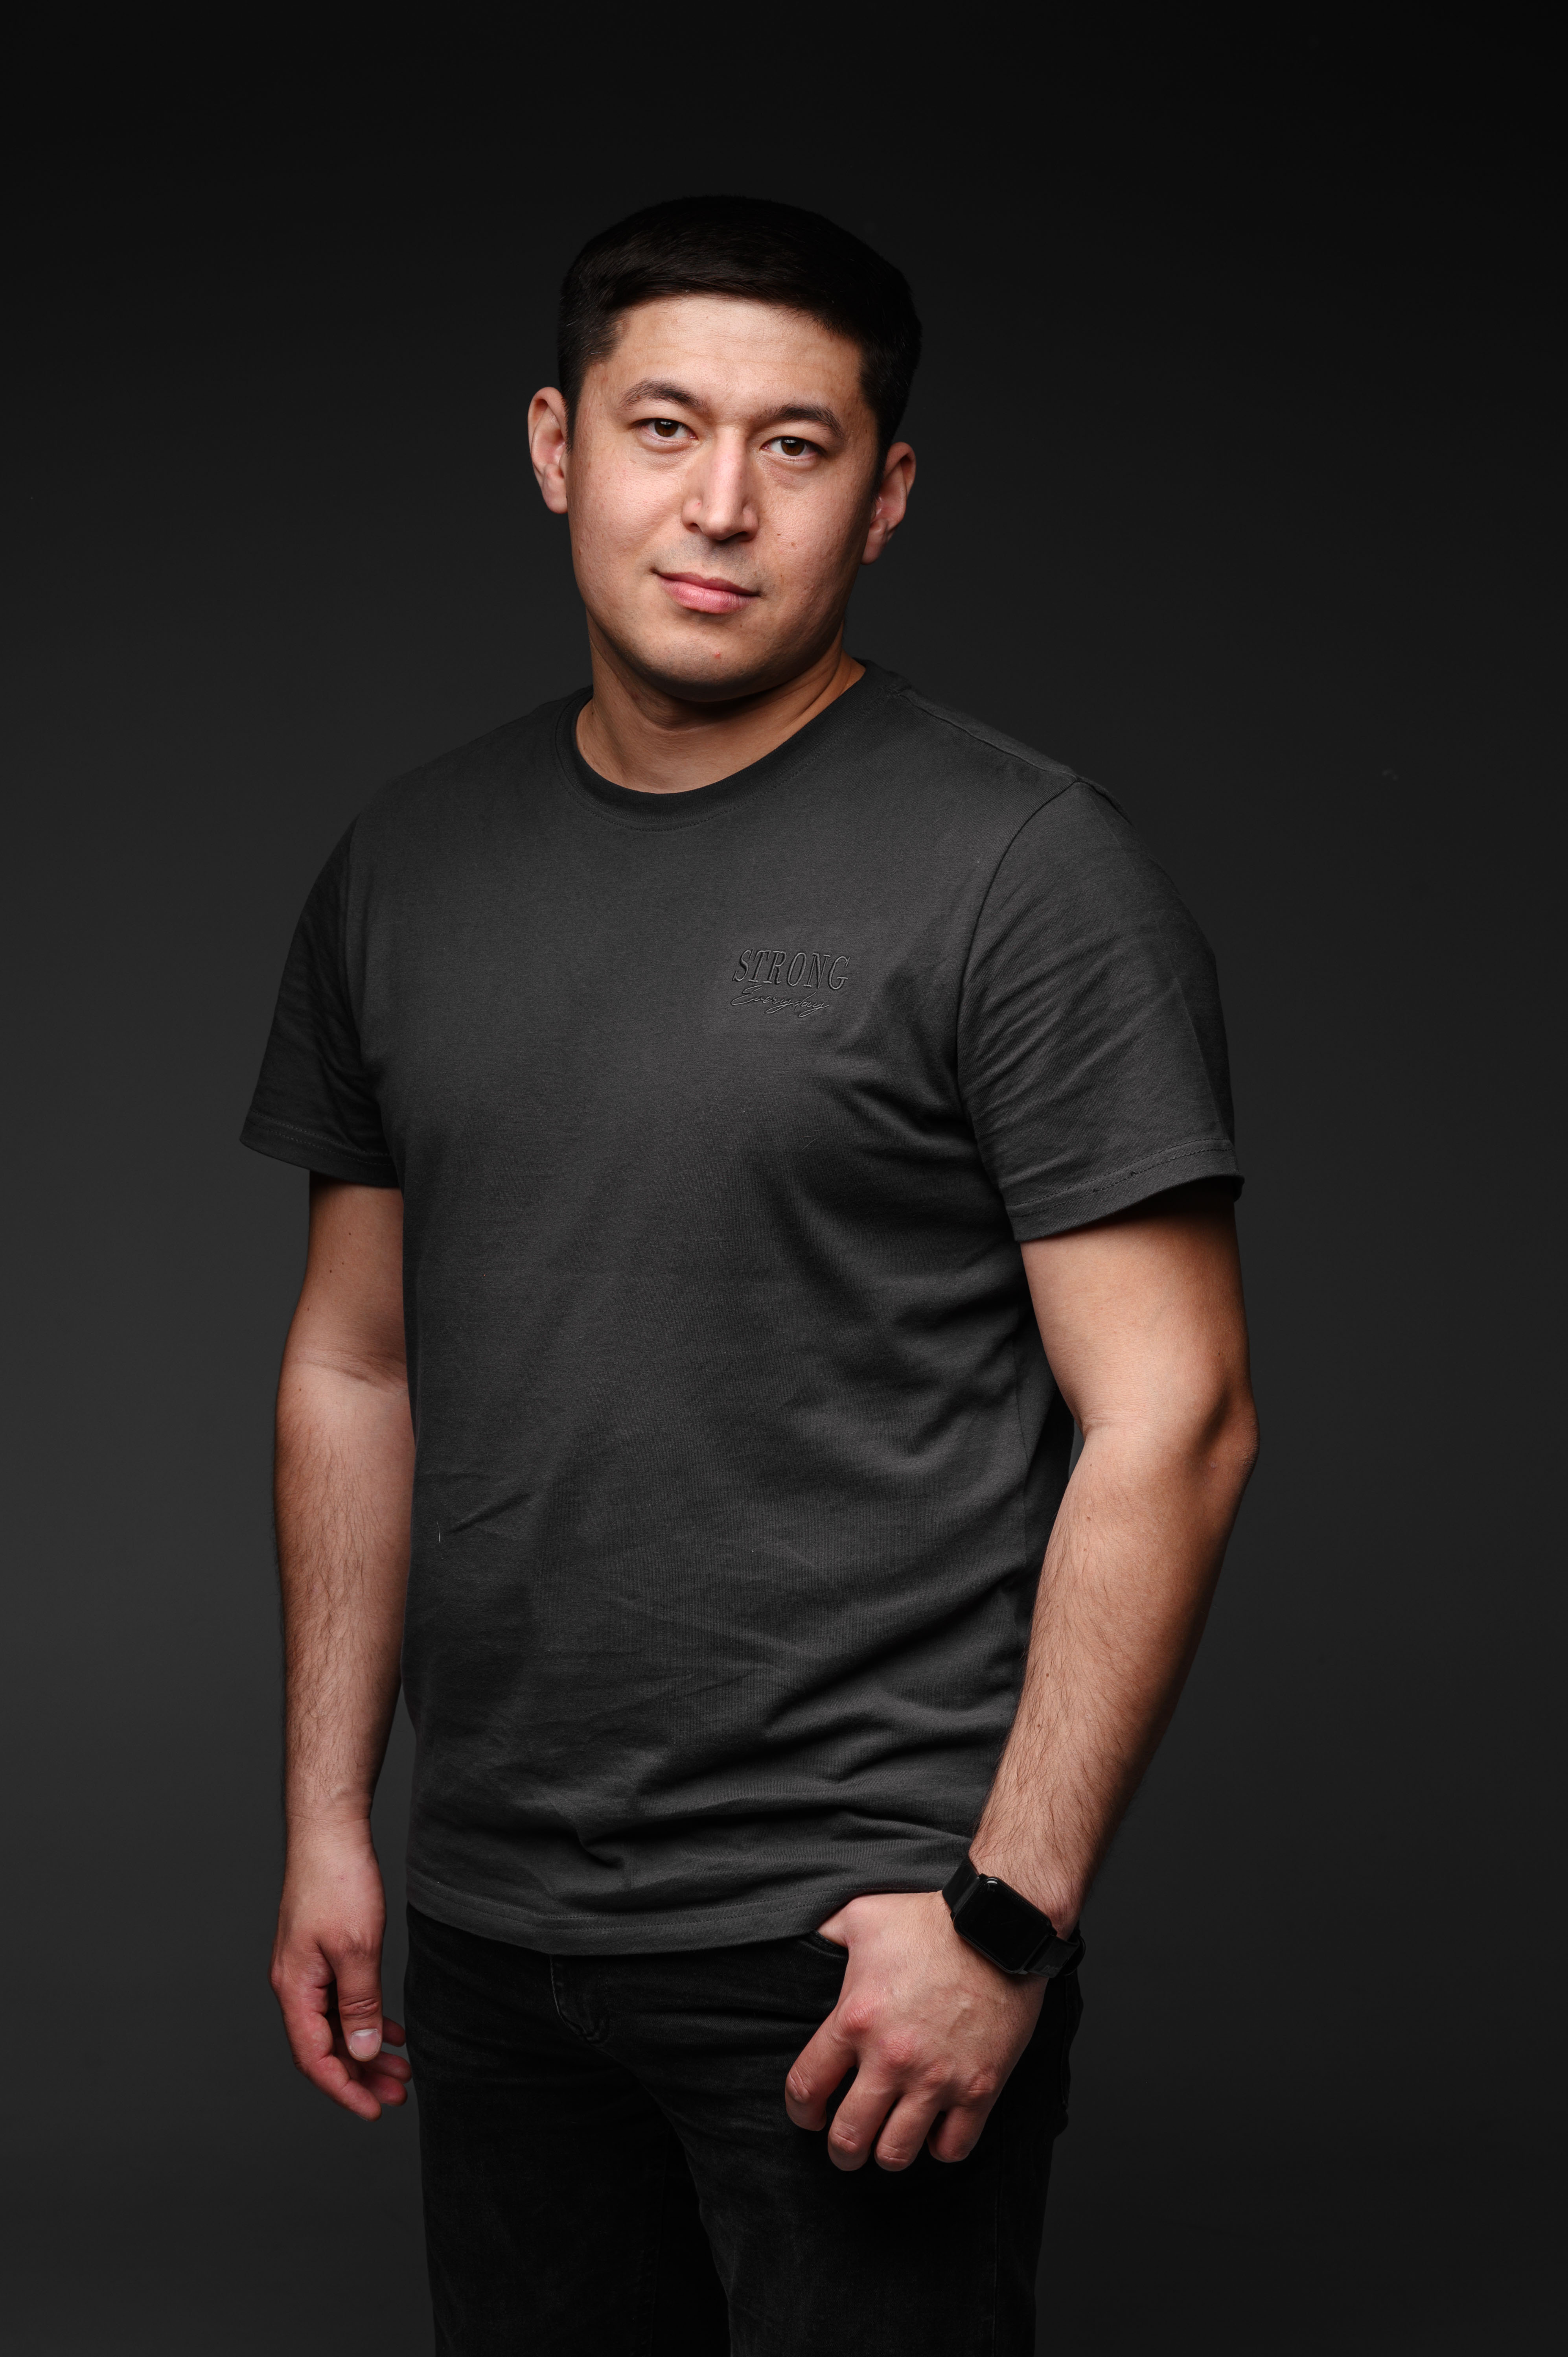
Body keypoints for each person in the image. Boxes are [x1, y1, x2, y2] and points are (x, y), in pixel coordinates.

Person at [244, 193, 1257, 2356]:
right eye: (664, 426)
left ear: (883, 496)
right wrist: (330, 1820)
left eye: (796, 447)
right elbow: (352, 1367)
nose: (719, 504)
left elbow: (1174, 1416)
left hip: (858, 1939)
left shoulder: (1021, 870)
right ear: (556, 446)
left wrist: (1002, 1920)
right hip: (496, 1927)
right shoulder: (405, 867)